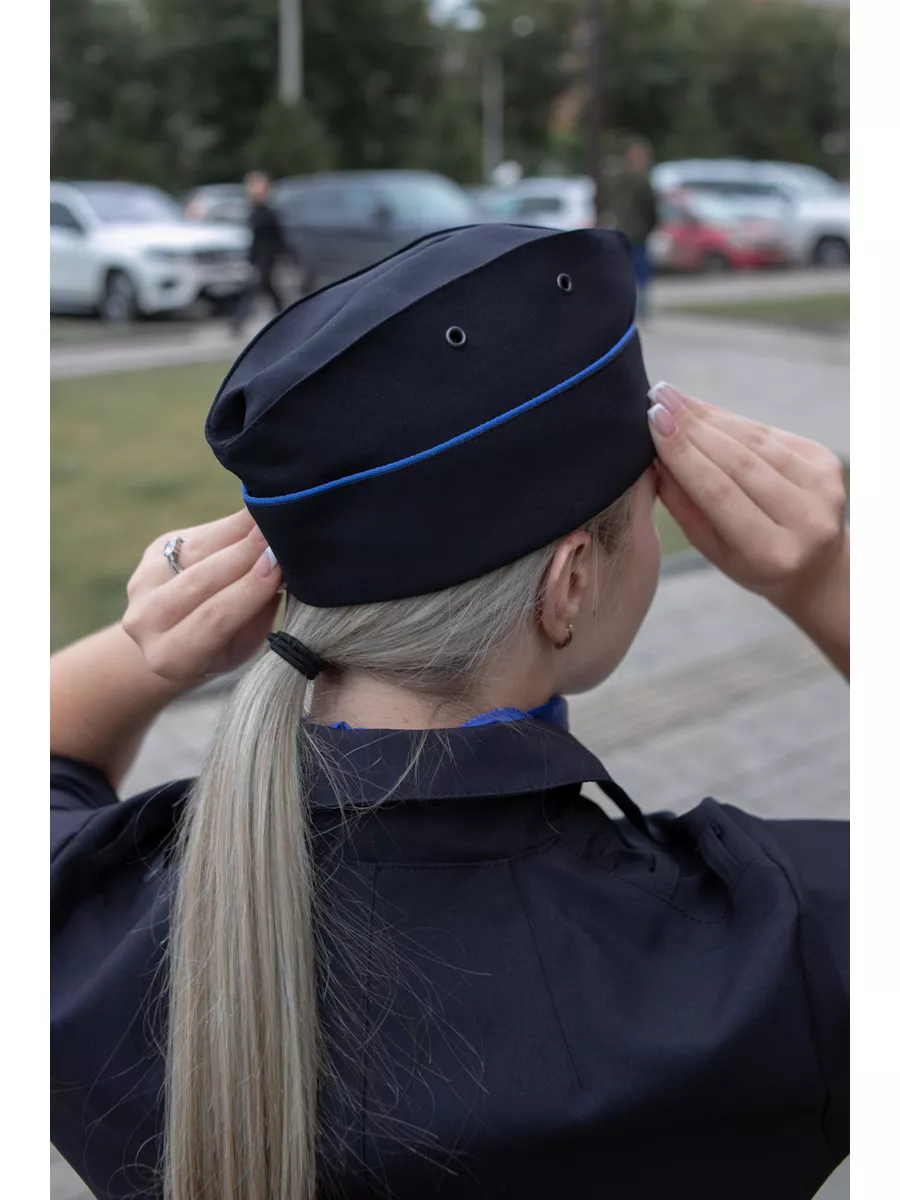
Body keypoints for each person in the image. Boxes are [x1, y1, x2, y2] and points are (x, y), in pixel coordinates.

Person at [51, 225, 848, 1200]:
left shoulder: (86, 928)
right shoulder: (779, 952)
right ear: (569, 584)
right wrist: (827, 580)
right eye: (653, 506)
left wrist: (149, 654)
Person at [228, 169, 290, 334]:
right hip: (259, 257)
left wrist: (284, 254)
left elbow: (277, 237)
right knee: (267, 290)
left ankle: (238, 321)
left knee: (256, 289)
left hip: (267, 257)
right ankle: (284, 317)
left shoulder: (267, 212)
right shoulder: (255, 211)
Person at [608, 137, 659, 320]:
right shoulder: (641, 180)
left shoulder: (616, 178)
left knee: (622, 270)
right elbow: (649, 208)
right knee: (641, 269)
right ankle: (640, 309)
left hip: (619, 230)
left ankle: (623, 308)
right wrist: (651, 226)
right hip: (637, 231)